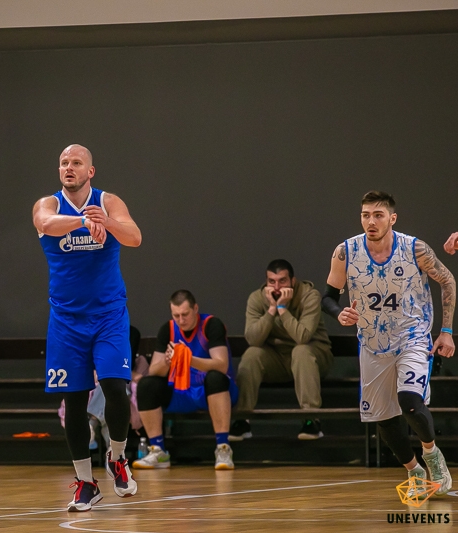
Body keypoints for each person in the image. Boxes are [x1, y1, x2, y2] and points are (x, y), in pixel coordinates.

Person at [322, 190, 455, 497]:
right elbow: (328, 297)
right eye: (366, 215)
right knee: (383, 419)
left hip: (412, 336)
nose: (371, 221)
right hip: (372, 342)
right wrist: (338, 312)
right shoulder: (345, 252)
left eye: (378, 215)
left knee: (410, 402)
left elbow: (447, 280)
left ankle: (432, 455)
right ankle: (414, 471)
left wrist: (446, 330)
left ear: (392, 219)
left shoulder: (414, 248)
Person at [33, 144, 142, 511]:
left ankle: (118, 458)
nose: (69, 167)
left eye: (76, 162)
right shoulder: (48, 204)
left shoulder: (108, 201)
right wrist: (84, 221)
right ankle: (85, 483)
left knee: (115, 387)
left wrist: (106, 222)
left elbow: (134, 237)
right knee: (75, 401)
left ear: (90, 171)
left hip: (109, 316)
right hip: (67, 321)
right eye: (64, 162)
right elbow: (45, 225)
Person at [132, 290, 238, 471]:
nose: (181, 320)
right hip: (182, 392)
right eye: (176, 315)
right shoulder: (168, 329)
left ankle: (223, 448)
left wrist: (189, 359)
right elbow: (154, 370)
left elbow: (221, 365)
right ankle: (158, 450)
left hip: (214, 391)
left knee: (215, 378)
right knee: (146, 385)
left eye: (185, 314)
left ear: (195, 309)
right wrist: (167, 362)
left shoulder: (211, 325)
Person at [230, 259, 333, 441]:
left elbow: (302, 337)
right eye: (272, 281)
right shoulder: (257, 298)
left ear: (293, 281)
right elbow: (253, 339)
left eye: (282, 281)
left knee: (300, 351)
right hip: (277, 359)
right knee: (252, 354)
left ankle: (311, 419)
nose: (277, 287)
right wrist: (271, 310)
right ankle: (242, 420)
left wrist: (282, 309)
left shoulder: (309, 296)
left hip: (313, 357)